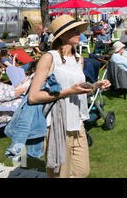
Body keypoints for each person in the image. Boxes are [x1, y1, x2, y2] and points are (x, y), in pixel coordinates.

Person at [28, 14, 111, 178]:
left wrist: (95, 86)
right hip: (56, 124)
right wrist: (68, 92)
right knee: (60, 175)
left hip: (77, 123)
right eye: (75, 31)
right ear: (63, 35)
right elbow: (33, 97)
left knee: (82, 171)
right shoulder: (49, 58)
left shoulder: (79, 59)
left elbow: (78, 89)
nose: (79, 34)